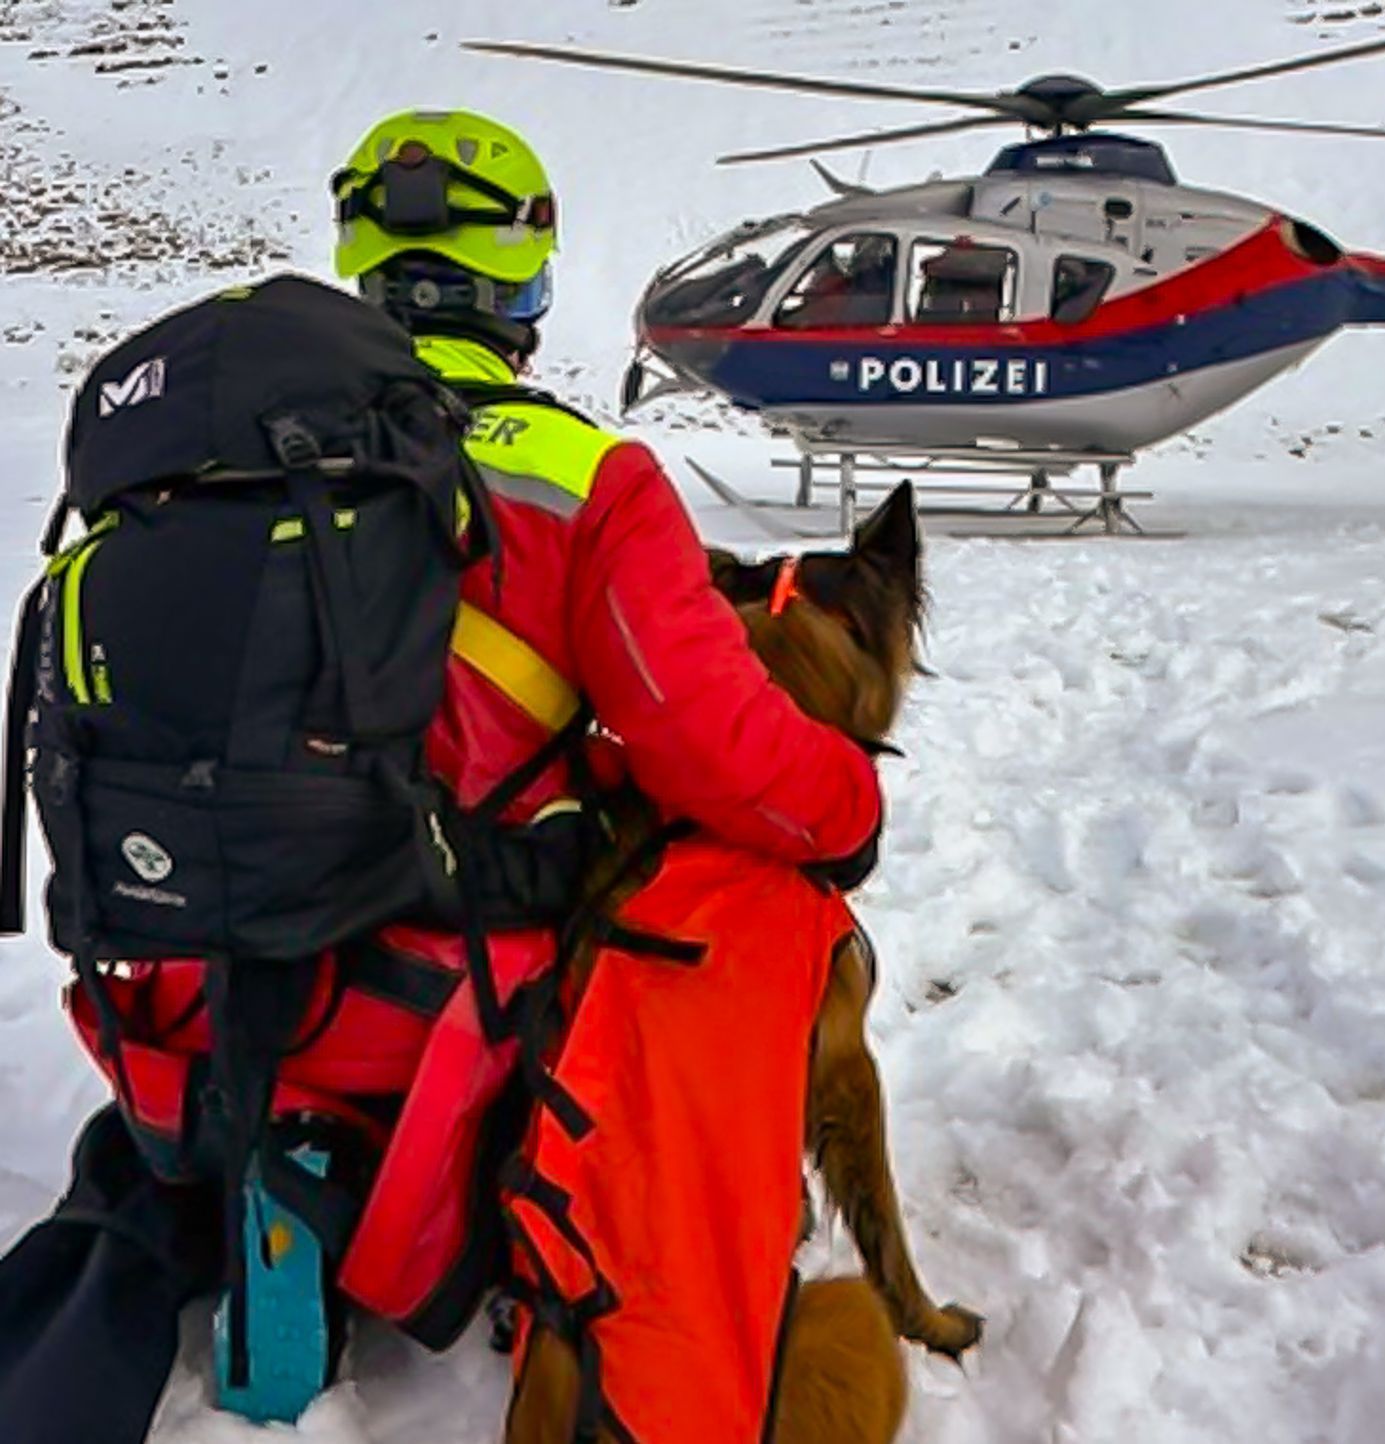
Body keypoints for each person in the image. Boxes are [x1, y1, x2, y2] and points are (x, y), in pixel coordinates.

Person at [0, 108, 883, 1444]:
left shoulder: (202, 456)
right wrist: (852, 807)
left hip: (195, 973)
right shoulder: (590, 480)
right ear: (528, 272)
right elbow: (717, 749)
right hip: (439, 1005)